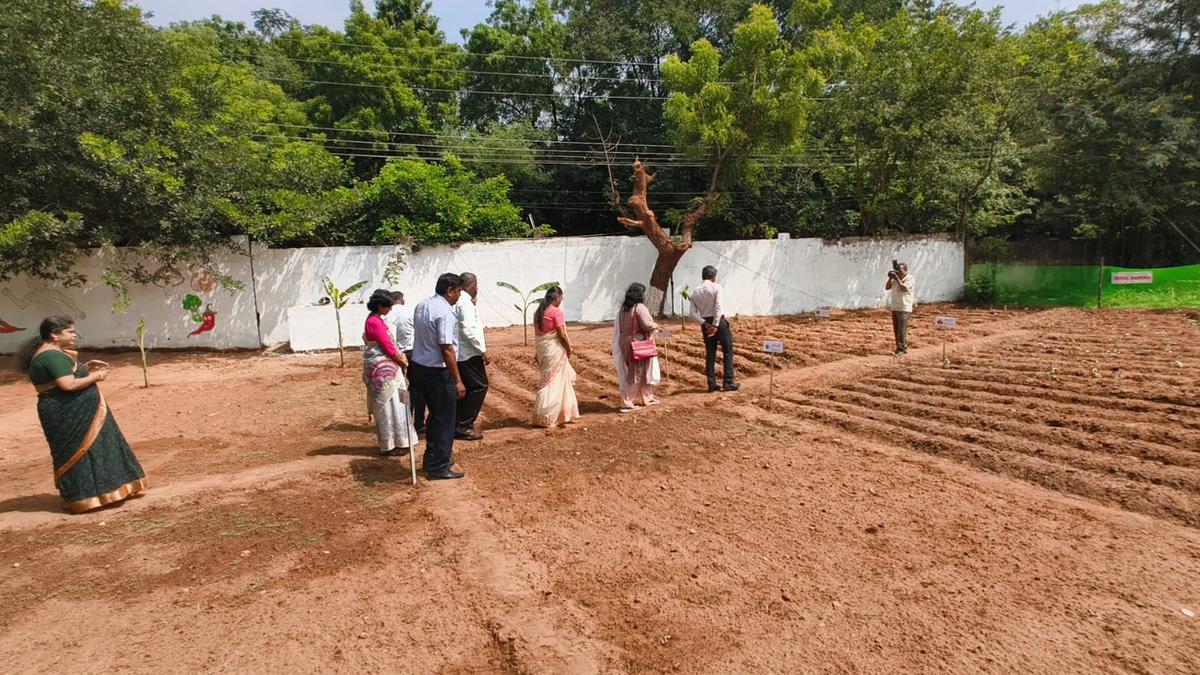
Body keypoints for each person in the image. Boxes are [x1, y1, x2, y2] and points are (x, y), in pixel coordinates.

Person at [17, 316, 147, 513]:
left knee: (95, 448)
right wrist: (96, 376)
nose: (74, 335)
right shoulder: (51, 355)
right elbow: (67, 384)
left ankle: (104, 492)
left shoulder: (52, 352)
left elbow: (63, 376)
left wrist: (85, 367)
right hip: (69, 414)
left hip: (79, 412)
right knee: (79, 452)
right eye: (70, 331)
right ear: (54, 334)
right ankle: (86, 496)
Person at [409, 273, 467, 480]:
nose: (460, 295)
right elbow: (446, 348)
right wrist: (458, 380)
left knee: (434, 416)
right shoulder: (445, 312)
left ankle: (431, 458)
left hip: (419, 368)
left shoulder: (422, 305)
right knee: (444, 419)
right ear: (450, 290)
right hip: (437, 371)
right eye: (459, 291)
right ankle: (439, 466)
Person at [362, 290, 419, 457]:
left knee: (395, 403)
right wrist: (401, 360)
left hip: (384, 369)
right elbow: (387, 346)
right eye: (388, 307)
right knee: (389, 405)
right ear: (380, 306)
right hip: (384, 371)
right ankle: (390, 444)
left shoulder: (375, 319)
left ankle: (399, 440)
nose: (390, 310)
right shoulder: (375, 322)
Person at [531, 286, 580, 427]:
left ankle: (545, 414)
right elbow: (561, 333)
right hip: (554, 350)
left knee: (547, 380)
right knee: (555, 381)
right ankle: (552, 415)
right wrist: (568, 348)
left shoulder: (538, 313)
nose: (562, 300)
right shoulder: (556, 312)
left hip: (543, 350)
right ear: (557, 297)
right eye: (561, 297)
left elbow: (539, 335)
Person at [688, 265, 739, 392]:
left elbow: (692, 313)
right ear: (713, 277)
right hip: (719, 322)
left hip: (705, 323)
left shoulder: (695, 291)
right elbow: (718, 307)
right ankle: (728, 381)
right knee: (727, 351)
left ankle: (711, 384)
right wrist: (715, 325)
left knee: (710, 353)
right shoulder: (716, 287)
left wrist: (705, 324)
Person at [615, 283, 661, 412]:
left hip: (625, 342)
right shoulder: (640, 307)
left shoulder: (623, 308)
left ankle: (648, 397)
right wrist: (655, 325)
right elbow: (646, 325)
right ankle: (627, 402)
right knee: (637, 372)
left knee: (639, 370)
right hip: (638, 343)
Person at [453, 272, 488, 441]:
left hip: (462, 353)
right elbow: (468, 330)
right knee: (479, 386)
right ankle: (463, 425)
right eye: (476, 285)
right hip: (468, 353)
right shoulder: (464, 303)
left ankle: (457, 423)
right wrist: (483, 350)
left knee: (467, 389)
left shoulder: (460, 301)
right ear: (470, 285)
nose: (477, 288)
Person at [389, 290, 421, 431]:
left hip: (395, 355)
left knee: (401, 386)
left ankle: (404, 417)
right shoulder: (410, 311)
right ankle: (418, 422)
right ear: (402, 300)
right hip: (413, 353)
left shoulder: (386, 315)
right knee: (417, 387)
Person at [885, 262, 916, 355]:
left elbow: (904, 288)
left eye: (900, 270)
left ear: (905, 270)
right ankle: (900, 347)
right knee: (896, 329)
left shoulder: (909, 278)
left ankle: (901, 349)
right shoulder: (894, 279)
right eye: (897, 270)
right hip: (895, 306)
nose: (898, 272)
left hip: (904, 308)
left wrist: (897, 278)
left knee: (902, 330)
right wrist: (890, 278)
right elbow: (887, 287)